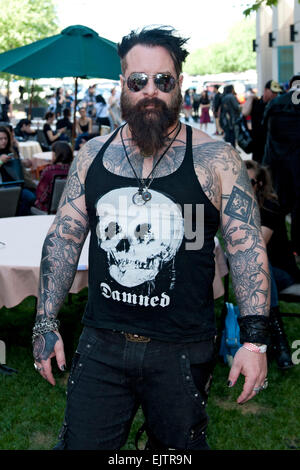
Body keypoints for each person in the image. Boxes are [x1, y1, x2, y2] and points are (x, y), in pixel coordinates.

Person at [32, 26, 271, 451]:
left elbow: (247, 249)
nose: (151, 91)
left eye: (163, 80)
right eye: (138, 81)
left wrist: (254, 340)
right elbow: (64, 238)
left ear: (179, 84)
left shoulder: (217, 159)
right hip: (102, 342)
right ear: (123, 84)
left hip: (181, 347)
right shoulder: (92, 155)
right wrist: (46, 321)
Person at [245, 160, 295, 369]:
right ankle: (277, 343)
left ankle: (278, 341)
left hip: (283, 273)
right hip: (258, 272)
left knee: (260, 267)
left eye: (249, 182)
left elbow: (257, 247)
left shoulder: (270, 207)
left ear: (259, 184)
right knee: (257, 269)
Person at [262, 74, 300, 258]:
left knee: (278, 206)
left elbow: (264, 132)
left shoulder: (276, 103)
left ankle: (280, 250)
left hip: (277, 164)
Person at [242, 80, 282, 163]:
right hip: (257, 145)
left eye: (277, 93)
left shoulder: (276, 105)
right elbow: (245, 113)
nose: (275, 95)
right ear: (265, 90)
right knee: (258, 170)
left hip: (271, 144)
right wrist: (250, 98)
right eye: (273, 92)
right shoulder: (256, 103)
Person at [0, 126, 36, 215]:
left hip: (18, 182)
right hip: (4, 186)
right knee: (29, 197)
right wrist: (1, 161)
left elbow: (17, 164)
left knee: (32, 196)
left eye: (5, 138)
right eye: (0, 139)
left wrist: (23, 162)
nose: (4, 141)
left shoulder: (11, 149)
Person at [33, 141, 73, 213]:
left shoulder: (49, 171)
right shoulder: (74, 170)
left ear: (55, 155)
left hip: (49, 210)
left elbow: (41, 196)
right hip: (69, 209)